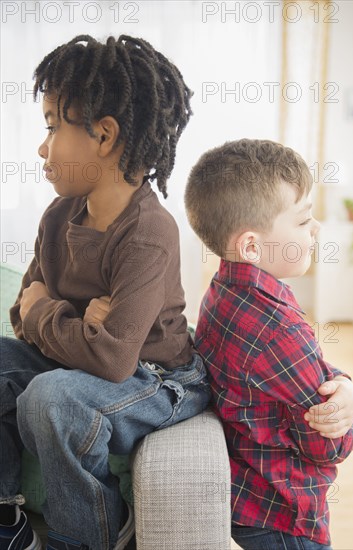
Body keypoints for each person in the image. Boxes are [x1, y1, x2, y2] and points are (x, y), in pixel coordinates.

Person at [0, 34, 211, 550]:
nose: (42, 146)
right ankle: (8, 514)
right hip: (84, 363)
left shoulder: (147, 231)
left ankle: (92, 530)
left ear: (105, 134)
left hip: (158, 378)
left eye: (53, 126)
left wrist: (50, 311)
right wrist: (77, 325)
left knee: (52, 398)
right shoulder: (57, 216)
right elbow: (19, 313)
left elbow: (115, 359)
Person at [184, 138, 353, 550]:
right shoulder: (276, 330)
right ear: (251, 245)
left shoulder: (225, 288)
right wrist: (349, 406)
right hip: (284, 511)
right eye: (302, 221)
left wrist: (341, 380)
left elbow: (300, 376)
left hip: (248, 490)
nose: (316, 228)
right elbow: (328, 444)